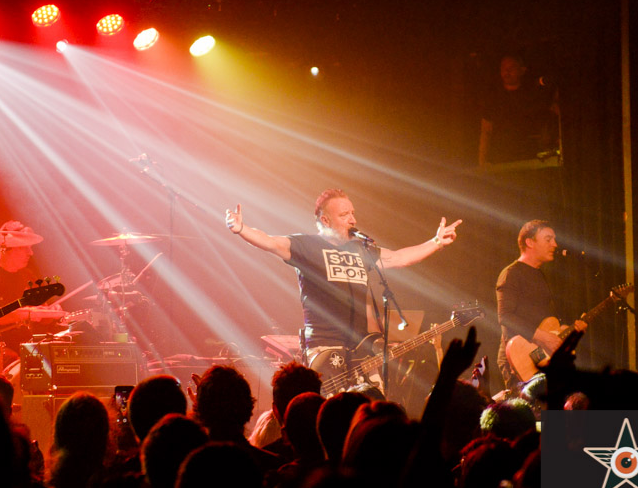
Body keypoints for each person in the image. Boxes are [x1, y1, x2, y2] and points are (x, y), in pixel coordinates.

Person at [225, 189, 460, 379]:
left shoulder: (361, 249)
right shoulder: (307, 246)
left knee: (369, 406)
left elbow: (399, 258)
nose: (353, 220)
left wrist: (437, 241)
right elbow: (269, 241)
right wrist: (241, 229)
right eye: (344, 214)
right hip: (325, 346)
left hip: (361, 348)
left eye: (353, 213)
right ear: (325, 220)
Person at [495, 220, 585, 390]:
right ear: (530, 242)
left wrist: (565, 330)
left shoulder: (539, 275)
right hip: (518, 357)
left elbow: (542, 319)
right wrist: (544, 337)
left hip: (540, 354)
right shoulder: (511, 274)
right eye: (548, 239)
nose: (555, 244)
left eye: (554, 239)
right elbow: (505, 317)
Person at [478, 55, 560, 167]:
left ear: (522, 70)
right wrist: (482, 161)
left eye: (511, 68)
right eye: (503, 68)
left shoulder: (533, 94)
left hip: (530, 156)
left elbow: (553, 116)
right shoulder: (494, 98)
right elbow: (486, 131)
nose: (507, 71)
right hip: (501, 158)